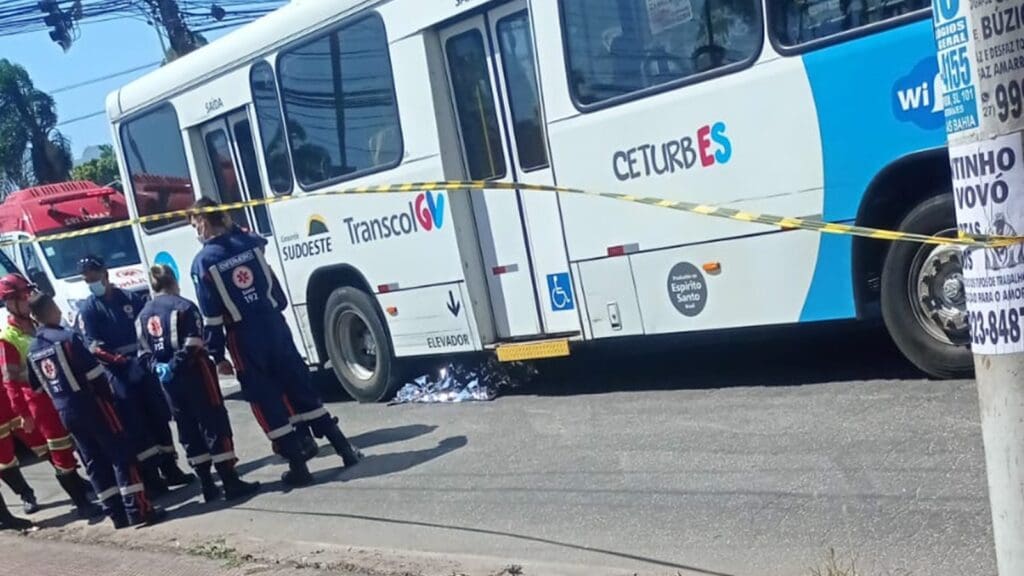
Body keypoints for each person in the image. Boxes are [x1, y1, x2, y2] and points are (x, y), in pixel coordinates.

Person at [189, 198, 362, 486]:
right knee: (300, 386)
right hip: (274, 325)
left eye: (196, 225)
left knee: (265, 399)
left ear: (204, 222)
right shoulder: (249, 242)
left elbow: (211, 315)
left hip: (244, 336)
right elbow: (266, 265)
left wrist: (218, 355)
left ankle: (299, 468)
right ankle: (344, 449)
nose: (197, 232)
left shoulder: (204, 262)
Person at [26, 292, 165, 528]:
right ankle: (138, 509)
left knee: (93, 461)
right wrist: (110, 400)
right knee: (121, 454)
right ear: (50, 311)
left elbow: (37, 387)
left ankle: (116, 514)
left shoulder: (33, 349)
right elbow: (96, 375)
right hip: (93, 405)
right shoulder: (68, 338)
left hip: (65, 412)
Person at [137, 265, 260, 502]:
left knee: (187, 428)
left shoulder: (142, 315)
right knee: (213, 422)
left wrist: (160, 368)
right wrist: (175, 365)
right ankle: (230, 481)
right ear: (173, 281)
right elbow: (194, 343)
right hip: (196, 374)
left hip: (169, 384)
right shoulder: (184, 306)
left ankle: (207, 484)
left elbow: (142, 354)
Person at [76, 255, 194, 495]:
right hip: (118, 375)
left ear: (105, 274)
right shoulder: (89, 309)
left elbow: (149, 327)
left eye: (94, 277)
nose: (92, 283)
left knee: (159, 417)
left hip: (143, 367)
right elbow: (94, 347)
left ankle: (170, 467)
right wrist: (121, 362)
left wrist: (148, 358)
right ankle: (151, 477)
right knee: (135, 425)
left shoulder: (129, 298)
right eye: (87, 280)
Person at [0, 274, 101, 519]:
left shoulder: (37, 325)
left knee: (75, 445)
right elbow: (10, 382)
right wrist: (23, 414)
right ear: (10, 303)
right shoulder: (8, 339)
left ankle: (81, 485)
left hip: (59, 395)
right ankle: (82, 505)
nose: (30, 299)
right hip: (39, 404)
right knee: (61, 451)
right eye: (24, 296)